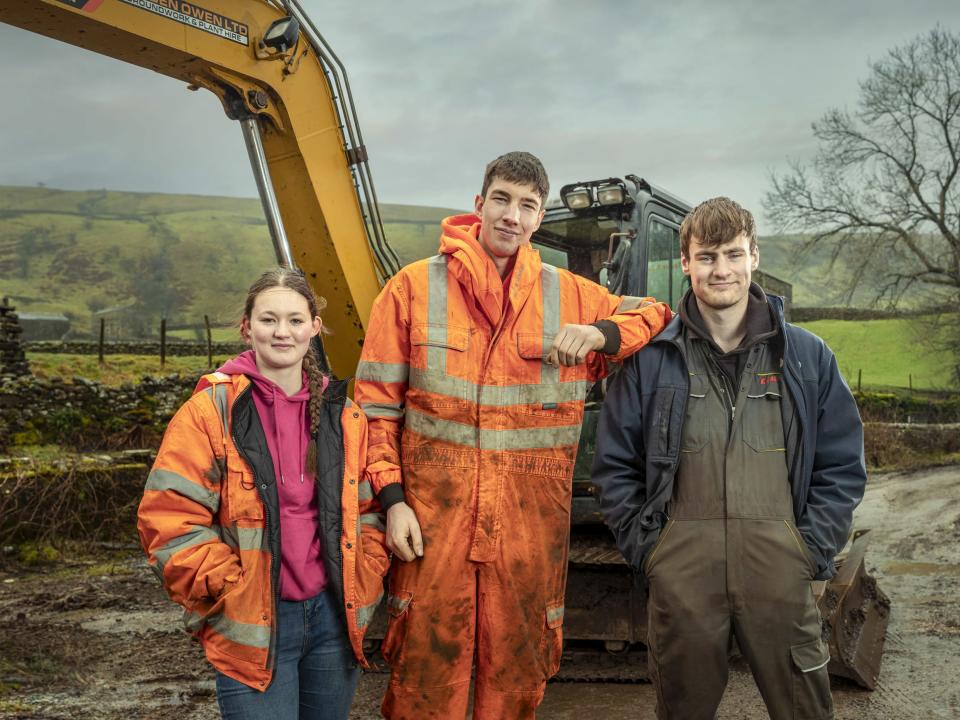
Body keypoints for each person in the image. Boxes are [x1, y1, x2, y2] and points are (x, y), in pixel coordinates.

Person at [354, 151, 672, 719]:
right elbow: (374, 414)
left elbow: (656, 312)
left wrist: (601, 334)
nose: (512, 215)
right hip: (433, 527)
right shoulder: (410, 290)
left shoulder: (570, 296)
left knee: (518, 677)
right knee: (425, 675)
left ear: (538, 217)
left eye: (528, 205)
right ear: (479, 205)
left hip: (529, 532)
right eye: (501, 199)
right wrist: (393, 500)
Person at [592, 197, 867, 720]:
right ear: (686, 262)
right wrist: (654, 552)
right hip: (683, 574)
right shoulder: (651, 362)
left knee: (805, 709)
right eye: (709, 256)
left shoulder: (806, 357)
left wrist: (809, 550)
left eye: (734, 255)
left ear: (754, 257)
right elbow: (615, 466)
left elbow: (842, 466)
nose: (722, 270)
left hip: (781, 571)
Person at [137, 268, 389, 720]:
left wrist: (366, 570)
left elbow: (368, 509)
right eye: (268, 319)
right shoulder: (211, 411)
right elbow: (168, 518)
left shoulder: (343, 415)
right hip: (255, 621)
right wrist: (232, 588)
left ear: (314, 328)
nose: (281, 332)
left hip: (334, 620)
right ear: (247, 327)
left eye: (295, 320)